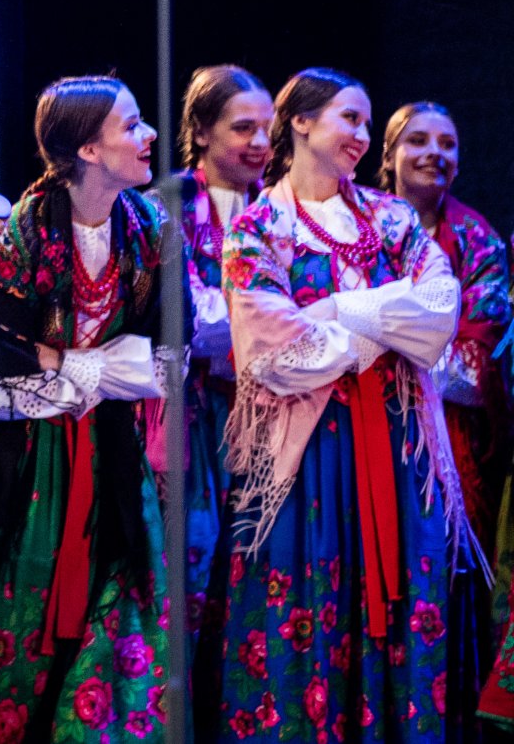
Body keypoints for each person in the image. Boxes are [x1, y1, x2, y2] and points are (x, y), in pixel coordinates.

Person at [206, 69, 468, 741]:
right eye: (350, 118)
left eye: (366, 122)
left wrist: (332, 310)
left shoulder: (392, 218)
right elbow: (273, 353)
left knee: (402, 602)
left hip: (400, 450)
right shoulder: (258, 226)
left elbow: (440, 312)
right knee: (303, 601)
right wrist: (383, 323)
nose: (362, 135)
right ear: (300, 121)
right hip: (308, 457)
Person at [0, 76, 173, 743]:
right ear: (88, 149)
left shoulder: (148, 230)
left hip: (108, 445)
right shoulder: (21, 236)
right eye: (131, 126)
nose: (149, 135)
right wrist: (80, 368)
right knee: (12, 598)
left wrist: (84, 367)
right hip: (24, 454)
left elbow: (164, 344)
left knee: (120, 595)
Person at [377, 100, 509, 718]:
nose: (435, 153)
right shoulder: (356, 226)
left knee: (442, 586)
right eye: (418, 140)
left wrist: (382, 343)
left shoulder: (477, 239)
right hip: (356, 426)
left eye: (448, 143)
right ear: (389, 155)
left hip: (449, 448)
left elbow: (478, 365)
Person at [168, 65, 272, 641]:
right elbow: (186, 317)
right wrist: (269, 320)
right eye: (243, 128)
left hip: (265, 413)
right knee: (190, 561)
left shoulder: (278, 209)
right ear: (201, 131)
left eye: (267, 129)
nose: (260, 142)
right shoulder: (168, 206)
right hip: (189, 413)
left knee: (256, 571)